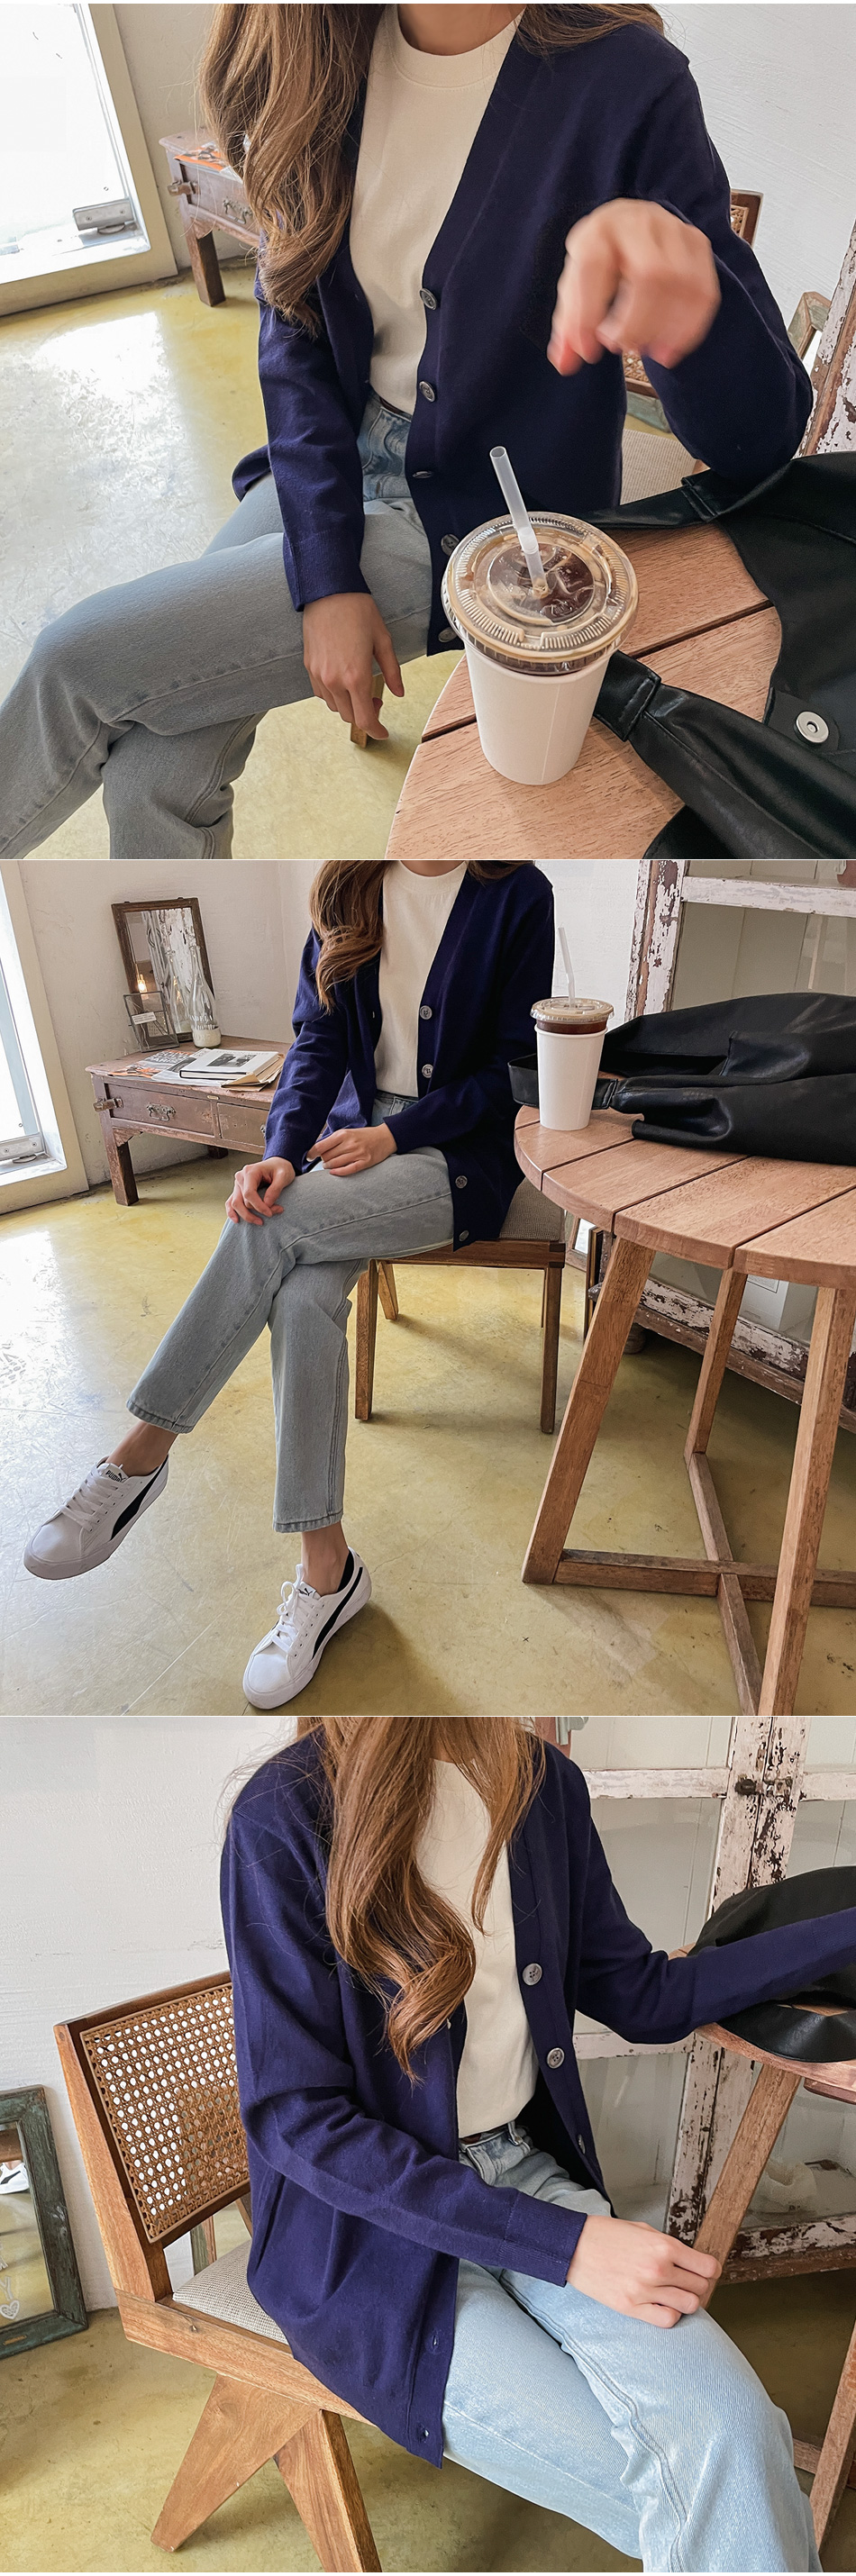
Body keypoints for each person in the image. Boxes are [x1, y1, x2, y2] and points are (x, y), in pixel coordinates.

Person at [0, 3, 812, 863]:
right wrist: (324, 578)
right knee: (155, 774)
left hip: (484, 522)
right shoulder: (318, 56)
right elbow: (294, 334)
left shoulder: (628, 82)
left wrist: (696, 304)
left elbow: (760, 442)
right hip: (330, 461)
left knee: (71, 665)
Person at [220, 1714, 846, 2571]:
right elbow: (300, 2120)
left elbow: (644, 1996)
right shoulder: (285, 1814)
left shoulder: (544, 1784)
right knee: (715, 2494)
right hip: (363, 2241)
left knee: (738, 2435)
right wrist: (568, 2244)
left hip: (521, 2169)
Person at [24, 858, 555, 1708]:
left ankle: (139, 1455)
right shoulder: (348, 883)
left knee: (277, 1227)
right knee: (302, 1297)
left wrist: (397, 1134)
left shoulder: (517, 890)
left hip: (455, 1155)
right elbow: (317, 1043)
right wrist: (279, 1151)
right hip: (348, 1141)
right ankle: (327, 1572)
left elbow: (512, 1071)